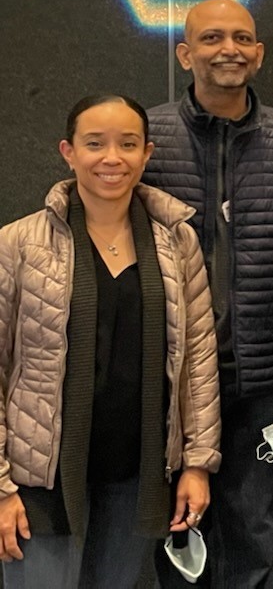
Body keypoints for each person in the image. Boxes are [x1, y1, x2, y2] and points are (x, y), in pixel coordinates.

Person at [142, 0, 273, 587]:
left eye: (241, 38)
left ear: (258, 54)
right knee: (175, 530)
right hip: (171, 383)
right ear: (185, 54)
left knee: (256, 527)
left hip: (263, 383)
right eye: (211, 38)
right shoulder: (146, 136)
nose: (228, 48)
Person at [0, 95, 221, 587]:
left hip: (136, 474)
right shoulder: (18, 243)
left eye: (127, 144)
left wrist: (198, 465)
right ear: (68, 151)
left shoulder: (176, 243)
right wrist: (0, 489)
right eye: (94, 144)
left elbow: (199, 361)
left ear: (147, 153)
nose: (111, 158)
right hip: (39, 482)